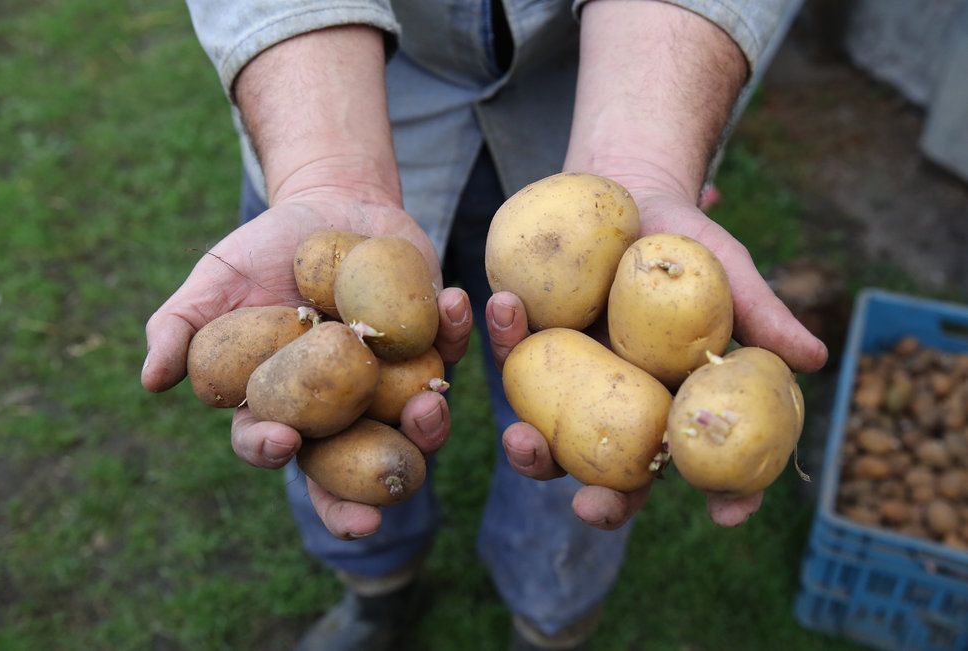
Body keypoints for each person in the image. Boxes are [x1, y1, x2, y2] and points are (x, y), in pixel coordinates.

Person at [141, 1, 828, 649]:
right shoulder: (330, 280)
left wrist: (645, 163)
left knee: (576, 479)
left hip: (604, 93)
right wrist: (325, 170)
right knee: (328, 435)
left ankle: (548, 619)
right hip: (334, 98)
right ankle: (376, 588)